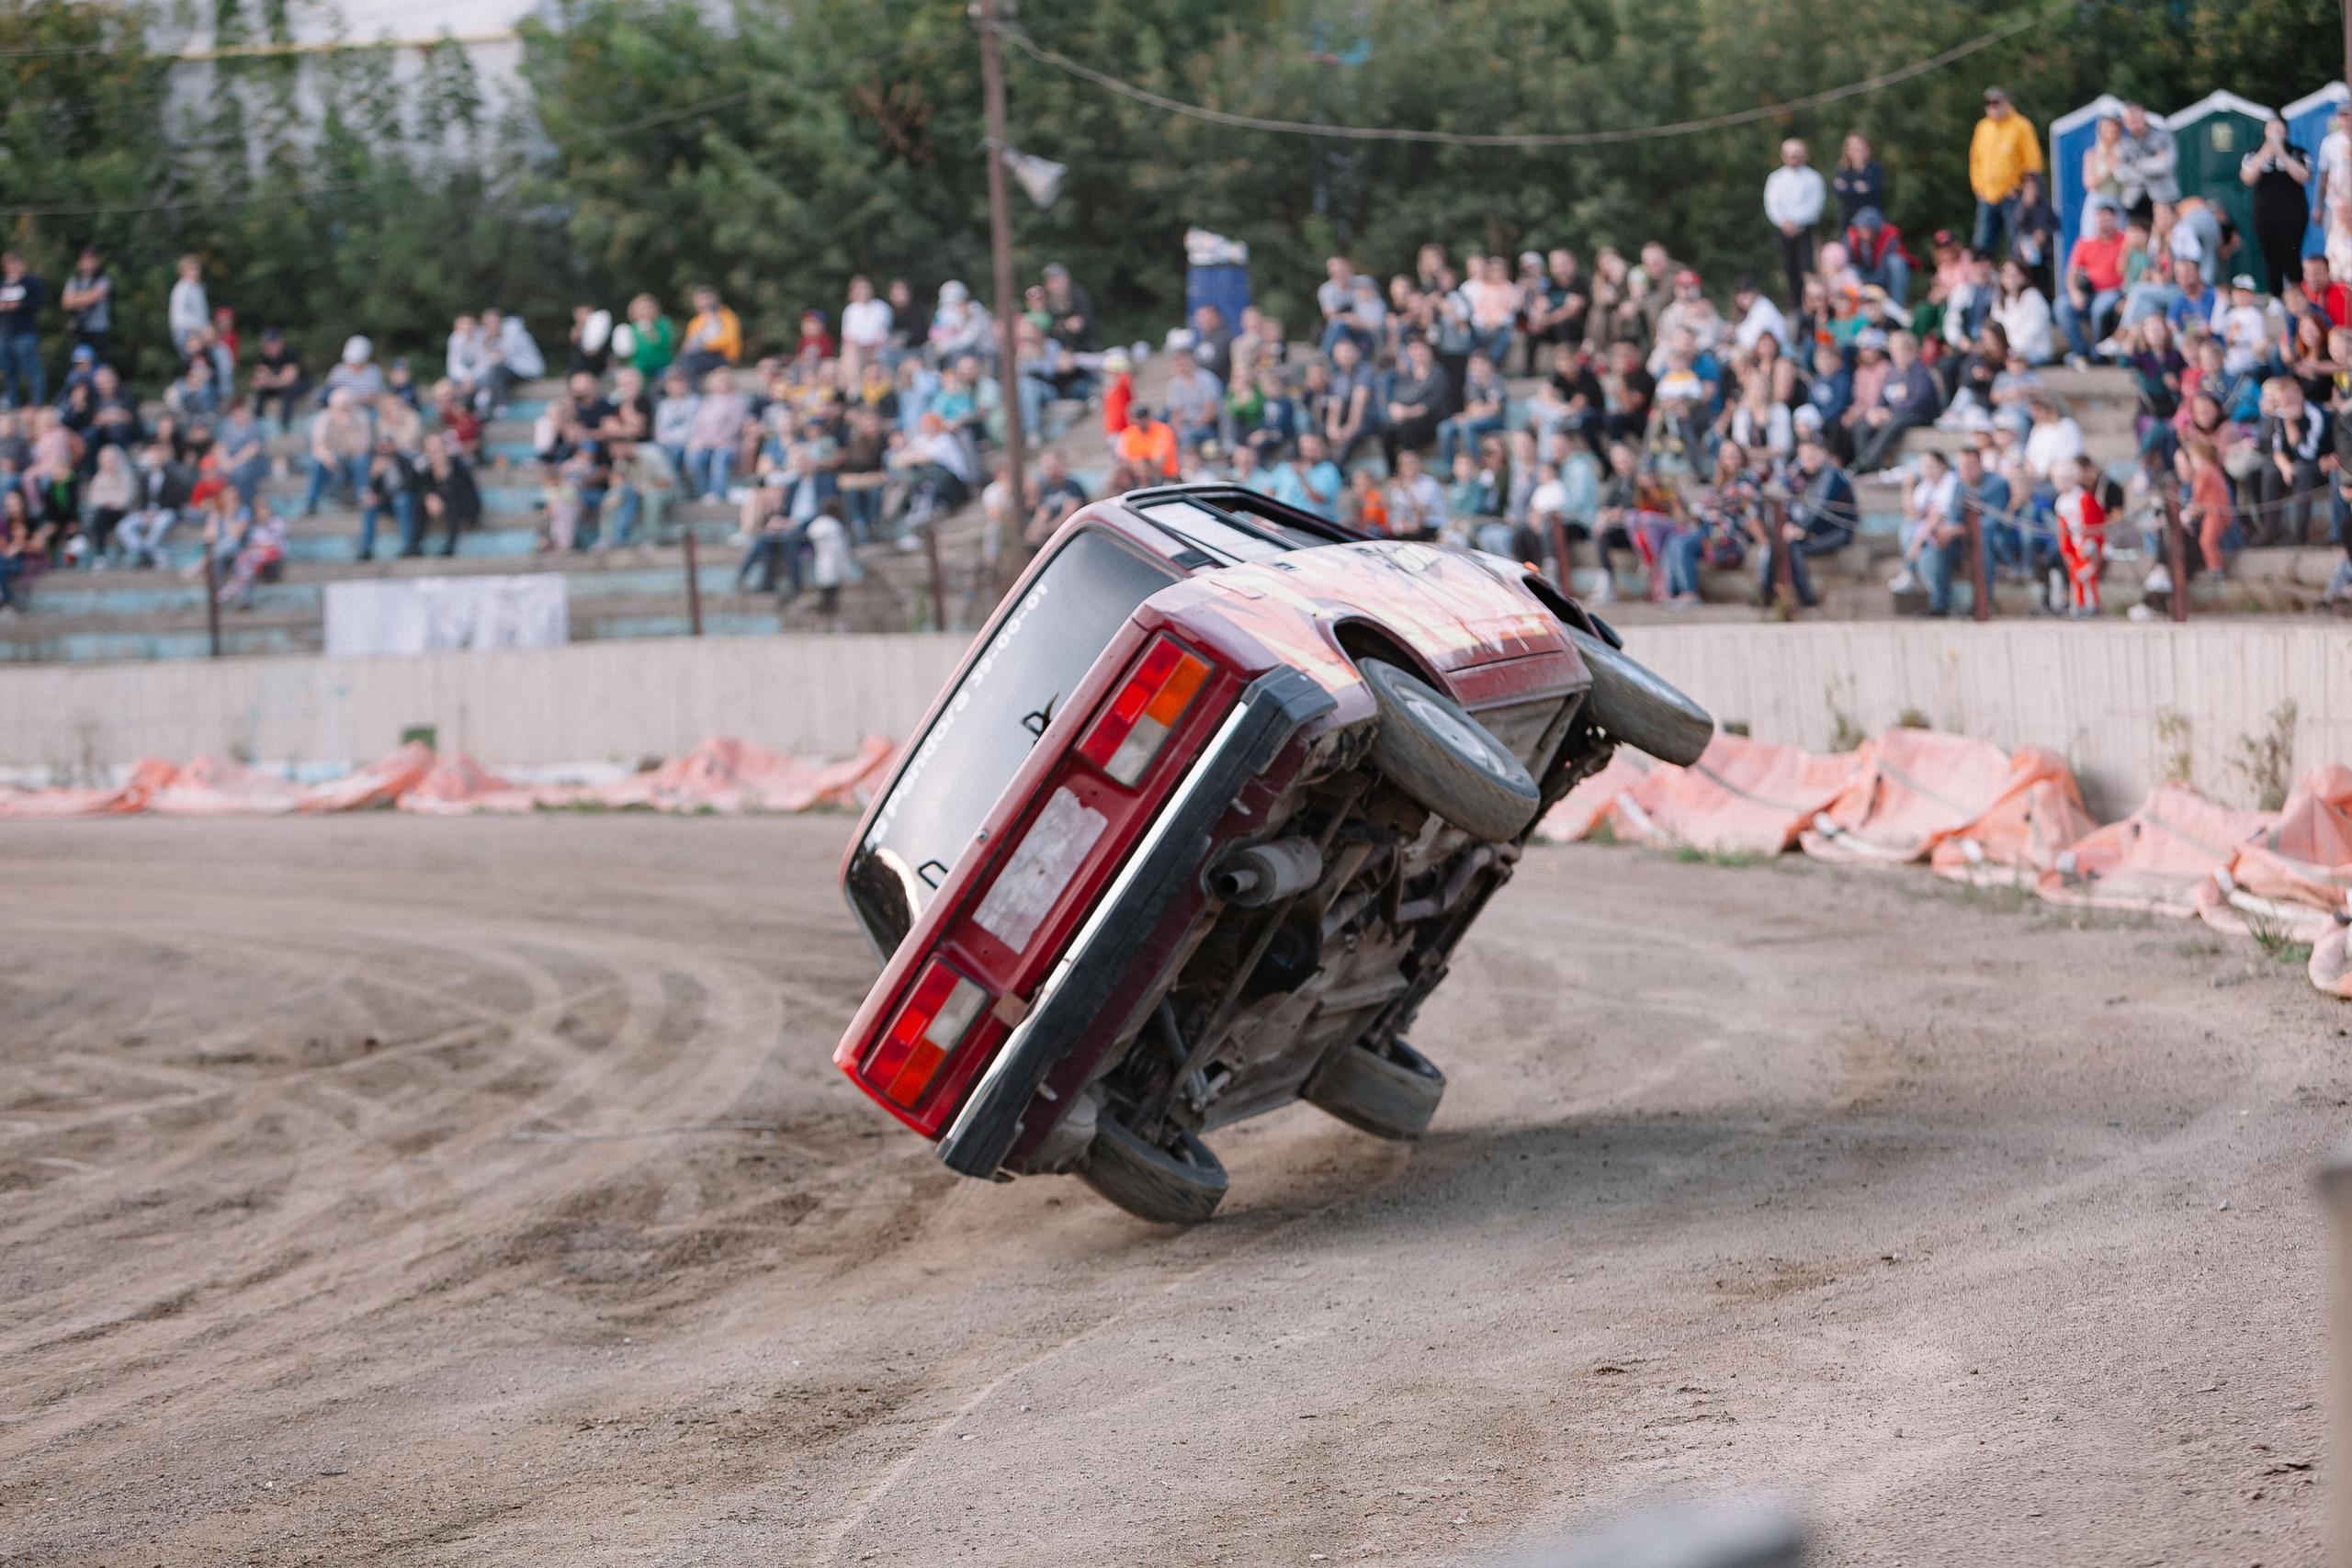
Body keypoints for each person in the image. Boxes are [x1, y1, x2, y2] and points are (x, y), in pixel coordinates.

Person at [1767, 438, 1858, 608]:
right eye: (1804, 456)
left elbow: (1820, 511)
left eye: (1812, 455)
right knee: (1778, 544)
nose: (1808, 460)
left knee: (1795, 548)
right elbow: (1783, 496)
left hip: (1836, 531)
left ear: (1822, 454)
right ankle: (1770, 594)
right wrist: (1789, 524)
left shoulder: (1835, 478)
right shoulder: (1798, 475)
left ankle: (1806, 597)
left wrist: (1801, 529)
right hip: (1807, 531)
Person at [1925, 446, 2009, 614]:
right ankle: (1939, 605)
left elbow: (1991, 523)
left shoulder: (1997, 484)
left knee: (1984, 544)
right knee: (1938, 548)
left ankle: (1984, 603)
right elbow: (1954, 517)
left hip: (1997, 538)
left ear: (1980, 465)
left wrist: (1958, 530)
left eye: (1971, 465)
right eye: (1962, 465)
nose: (1966, 470)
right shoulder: (1959, 485)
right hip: (1966, 537)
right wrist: (1946, 532)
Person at [2242, 115, 2313, 299]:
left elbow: (2304, 176)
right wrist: (2265, 153)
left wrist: (2282, 153)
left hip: (2293, 213)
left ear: (2286, 132)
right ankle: (2276, 295)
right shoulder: (2254, 153)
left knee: (2292, 252)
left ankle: (2297, 295)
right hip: (2265, 214)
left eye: (2279, 130)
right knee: (2270, 255)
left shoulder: (2298, 152)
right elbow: (2247, 178)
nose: (2275, 134)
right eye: (2271, 129)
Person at [1969, 86, 2043, 258]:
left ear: (2007, 103)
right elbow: (1975, 159)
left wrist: (2026, 189)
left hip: (2012, 195)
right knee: (1982, 244)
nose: (1992, 107)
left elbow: (2032, 162)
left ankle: (2016, 281)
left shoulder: (2021, 126)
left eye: (1996, 102)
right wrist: (1978, 188)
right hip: (1987, 196)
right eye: (1988, 103)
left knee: (2016, 243)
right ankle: (1982, 281)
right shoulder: (1982, 127)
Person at [2256, 375, 2329, 545]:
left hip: (2320, 465)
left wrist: (2290, 424)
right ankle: (2271, 531)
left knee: (2302, 469)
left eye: (2291, 398)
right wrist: (2285, 467)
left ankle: (2299, 533)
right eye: (2283, 401)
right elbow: (2278, 451)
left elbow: (2308, 453)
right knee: (2271, 472)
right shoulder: (2281, 417)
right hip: (2297, 465)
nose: (2288, 404)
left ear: (2300, 395)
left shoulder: (2316, 414)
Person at [2057, 200, 2129, 367]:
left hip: (2115, 292)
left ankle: (2097, 354)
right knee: (2062, 306)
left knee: (2099, 307)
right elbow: (2071, 273)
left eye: (2107, 218)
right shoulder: (2084, 243)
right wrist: (2074, 292)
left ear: (2115, 219)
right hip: (2089, 294)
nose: (2104, 222)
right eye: (2100, 218)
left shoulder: (2125, 241)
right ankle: (2081, 352)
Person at [1764, 139, 1826, 308]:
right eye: (1791, 156)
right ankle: (1798, 308)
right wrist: (1783, 221)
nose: (1794, 159)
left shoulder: (1813, 178)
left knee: (1809, 270)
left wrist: (1795, 221)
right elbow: (1772, 204)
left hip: (1805, 230)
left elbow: (1815, 205)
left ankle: (1814, 306)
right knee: (1790, 270)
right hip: (1783, 230)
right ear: (1784, 156)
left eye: (1798, 155)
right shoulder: (1776, 178)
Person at [297, 389, 371, 516]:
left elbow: (363, 448)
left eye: (346, 405)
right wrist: (327, 456)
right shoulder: (324, 417)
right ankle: (311, 502)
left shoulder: (361, 416)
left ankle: (362, 499)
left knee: (361, 461)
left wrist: (349, 430)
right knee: (317, 462)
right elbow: (317, 444)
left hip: (352, 459)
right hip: (333, 459)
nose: (343, 408)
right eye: (339, 405)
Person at [2051, 455, 2105, 615]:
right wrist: (2066, 549)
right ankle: (2079, 604)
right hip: (2074, 544)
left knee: (2087, 575)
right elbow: (2063, 528)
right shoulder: (2061, 502)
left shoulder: (2084, 498)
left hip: (2088, 543)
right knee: (2075, 575)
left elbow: (2092, 523)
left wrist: (2091, 543)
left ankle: (2092, 605)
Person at [685, 368, 747, 500]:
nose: (722, 384)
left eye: (725, 381)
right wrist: (698, 439)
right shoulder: (708, 401)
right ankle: (706, 491)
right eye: (719, 381)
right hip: (707, 443)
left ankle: (717, 493)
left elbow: (736, 424)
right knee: (694, 457)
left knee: (720, 455)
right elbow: (699, 424)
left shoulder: (736, 401)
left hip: (729, 443)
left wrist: (722, 439)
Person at [2114, 102, 2179, 223]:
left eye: (2136, 119)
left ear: (2144, 116)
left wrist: (2136, 165)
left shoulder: (2162, 136)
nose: (2133, 123)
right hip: (2134, 201)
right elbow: (2120, 173)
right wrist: (2152, 163)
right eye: (2129, 120)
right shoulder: (2122, 144)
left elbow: (2165, 166)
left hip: (2164, 198)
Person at [1439, 351, 1507, 466]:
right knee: (1444, 428)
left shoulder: (1496, 380)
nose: (1477, 367)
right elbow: (1471, 407)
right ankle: (1451, 468)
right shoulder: (1471, 384)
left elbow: (1494, 408)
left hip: (1496, 420)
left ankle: (1475, 466)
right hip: (1475, 418)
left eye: (1480, 363)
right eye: (1474, 364)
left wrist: (1470, 415)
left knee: (1466, 425)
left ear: (1489, 364)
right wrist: (1468, 414)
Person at [0, 254, 44, 410]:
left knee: (32, 370)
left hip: (25, 334)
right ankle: (13, 404)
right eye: (8, 264)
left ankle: (37, 404)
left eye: (14, 262)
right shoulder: (4, 284)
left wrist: (20, 305)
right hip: (6, 334)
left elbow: (39, 302)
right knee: (9, 372)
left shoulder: (30, 281)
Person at [678, 287, 743, 381]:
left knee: (689, 360)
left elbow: (728, 339)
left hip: (722, 357)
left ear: (715, 298)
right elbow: (689, 342)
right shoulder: (696, 321)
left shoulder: (728, 316)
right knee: (683, 361)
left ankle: (690, 393)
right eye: (700, 300)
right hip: (700, 356)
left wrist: (705, 346)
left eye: (706, 299)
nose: (704, 303)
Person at [59, 249, 110, 366]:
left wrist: (76, 298)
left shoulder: (103, 279)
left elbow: (94, 297)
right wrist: (86, 297)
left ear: (97, 262)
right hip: (79, 331)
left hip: (98, 331)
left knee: (100, 367)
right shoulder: (74, 281)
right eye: (85, 259)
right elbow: (65, 303)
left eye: (91, 260)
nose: (88, 263)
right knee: (79, 366)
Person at [1830, 131, 1884, 233]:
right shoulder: (1844, 169)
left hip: (1869, 218)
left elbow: (1870, 191)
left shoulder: (1874, 168)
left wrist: (1847, 187)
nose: (1856, 151)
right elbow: (1836, 190)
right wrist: (1856, 188)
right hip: (1847, 218)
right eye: (1852, 147)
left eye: (1859, 147)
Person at [167, 255, 209, 359]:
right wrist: (199, 329)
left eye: (196, 269)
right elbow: (179, 316)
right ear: (183, 271)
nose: (195, 272)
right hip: (186, 332)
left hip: (198, 332)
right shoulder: (182, 289)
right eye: (191, 269)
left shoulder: (198, 288)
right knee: (192, 363)